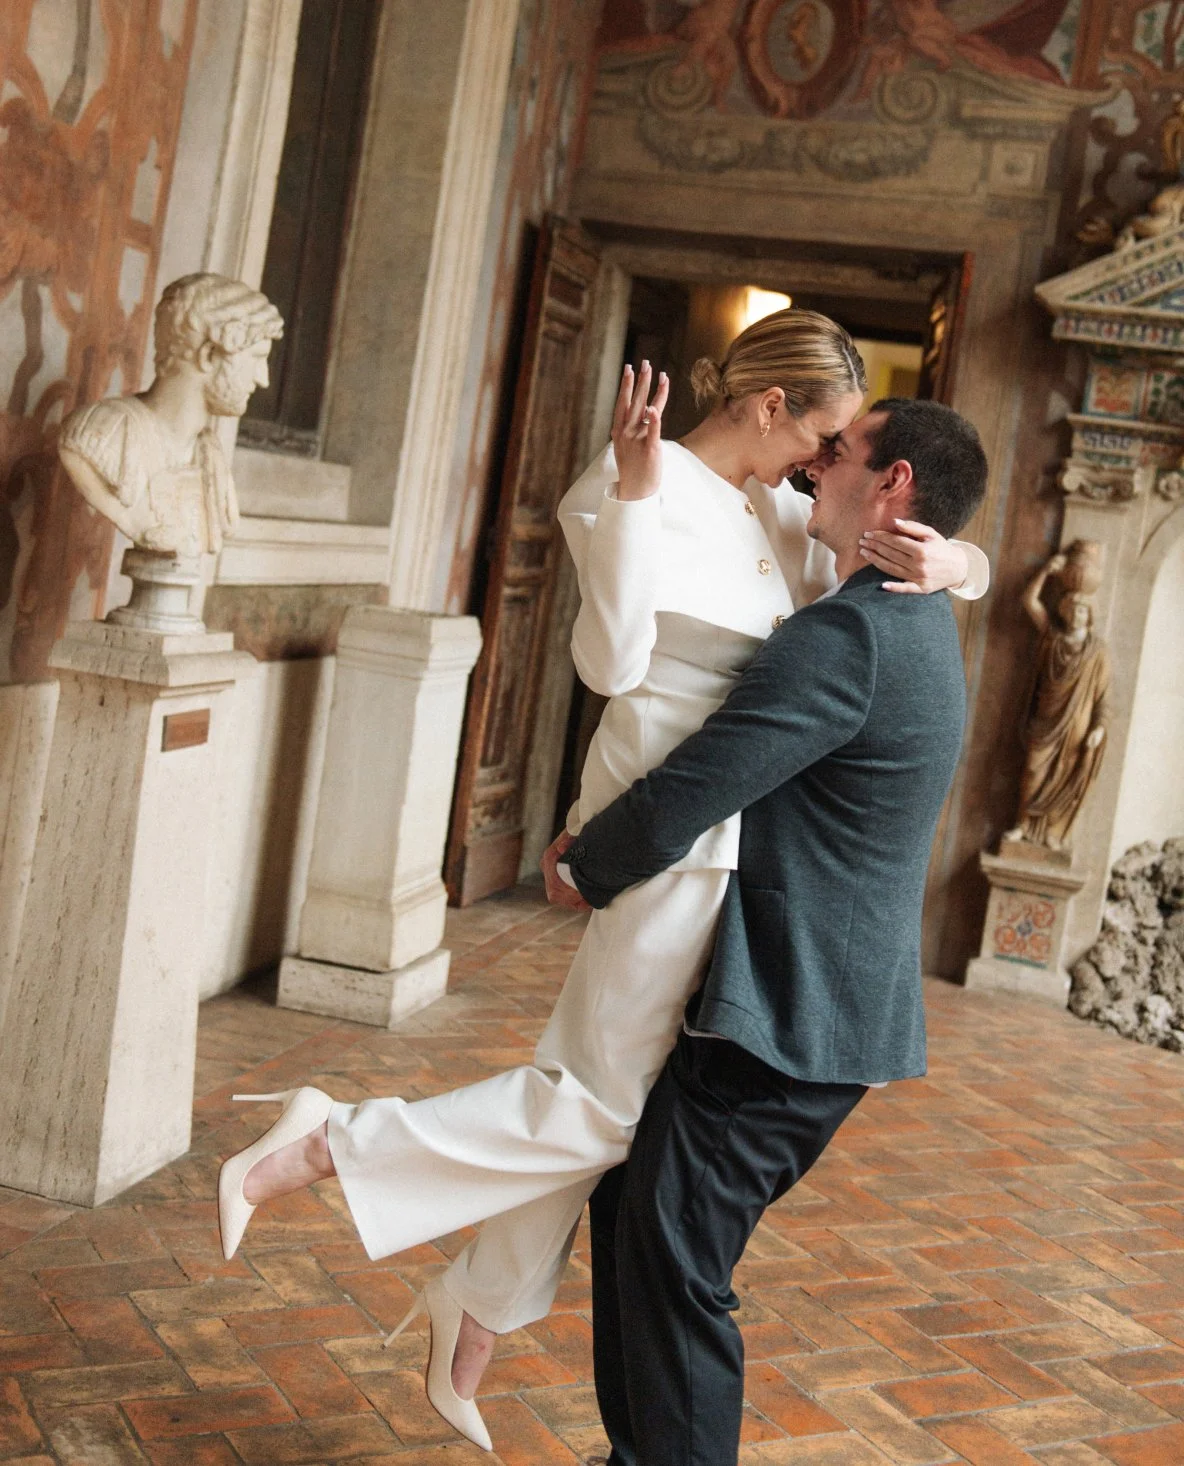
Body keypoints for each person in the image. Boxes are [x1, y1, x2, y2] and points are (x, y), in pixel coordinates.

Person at [216, 310, 988, 1452]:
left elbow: (908, 554)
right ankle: (388, 1206)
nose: (821, 463)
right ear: (772, 411)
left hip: (732, 875)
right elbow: (610, 661)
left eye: (840, 449)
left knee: (606, 1120)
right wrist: (631, 496)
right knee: (603, 1119)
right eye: (821, 436)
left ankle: (454, 1282)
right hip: (673, 835)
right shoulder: (657, 489)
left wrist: (959, 557)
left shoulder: (798, 530)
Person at [553, 397, 989, 1466]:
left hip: (788, 1022)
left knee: (676, 1264)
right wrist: (966, 562)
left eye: (836, 453)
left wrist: (583, 860)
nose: (811, 468)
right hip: (807, 1011)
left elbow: (708, 775)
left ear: (890, 484)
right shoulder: (902, 609)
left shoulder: (848, 634)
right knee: (638, 1217)